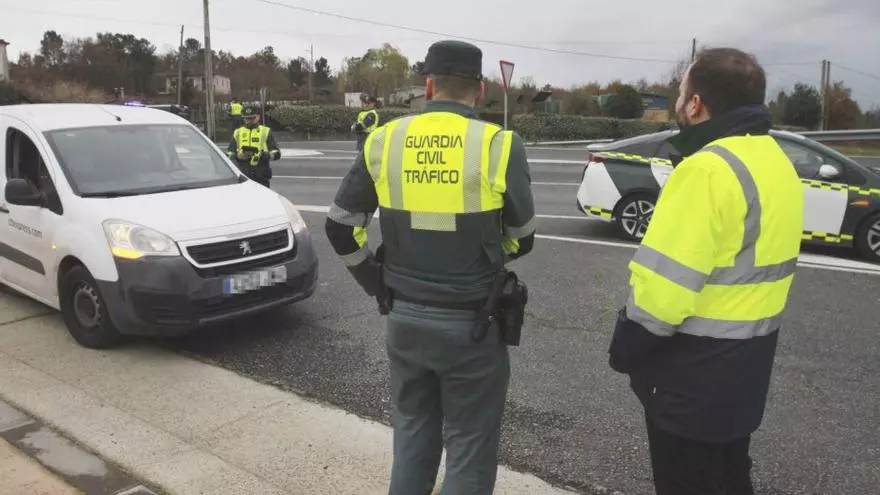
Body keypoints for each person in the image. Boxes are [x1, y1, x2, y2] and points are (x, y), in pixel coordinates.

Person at [324, 40, 536, 494]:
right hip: (472, 325)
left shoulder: (384, 140)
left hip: (404, 319)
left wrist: (376, 282)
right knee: (470, 448)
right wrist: (486, 253)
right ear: (480, 90)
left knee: (413, 437)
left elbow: (340, 226)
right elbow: (523, 237)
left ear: (428, 86)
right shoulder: (499, 145)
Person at [607, 47, 805, 495]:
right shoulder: (775, 161)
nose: (678, 101)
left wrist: (625, 349)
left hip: (691, 377)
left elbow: (662, 293)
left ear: (695, 104)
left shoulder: (706, 171)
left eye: (681, 93)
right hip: (747, 368)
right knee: (730, 478)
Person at [226, 106, 280, 188]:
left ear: (258, 117)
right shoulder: (238, 132)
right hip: (243, 176)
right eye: (246, 118)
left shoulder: (266, 131)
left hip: (261, 176)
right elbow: (229, 153)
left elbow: (276, 154)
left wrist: (261, 154)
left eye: (252, 118)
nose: (249, 120)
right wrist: (237, 156)